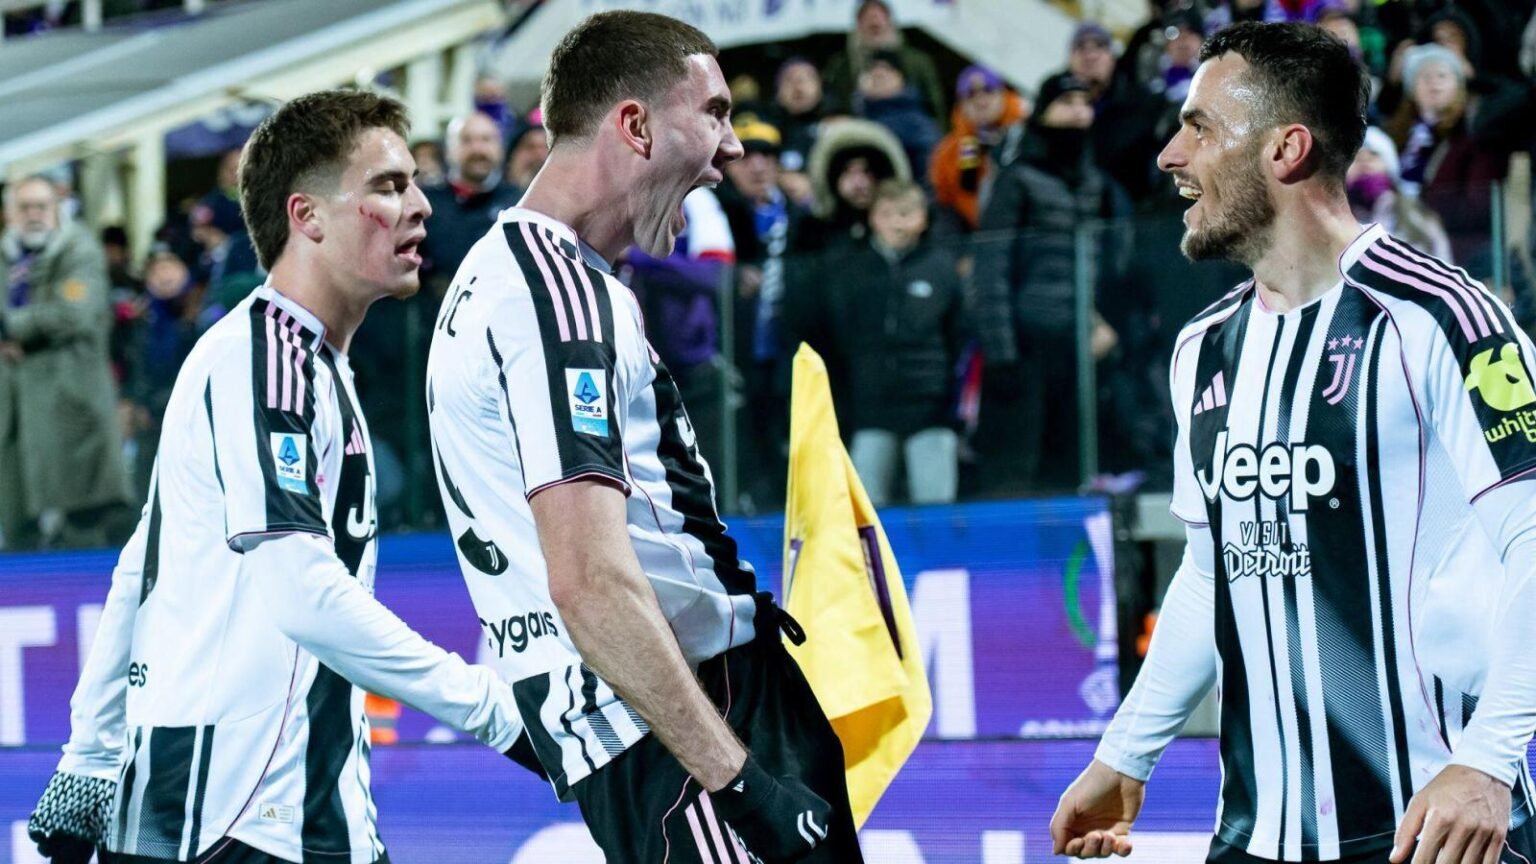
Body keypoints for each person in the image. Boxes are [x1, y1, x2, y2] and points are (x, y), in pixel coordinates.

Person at [1053, 23, 1536, 864]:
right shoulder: (1204, 347)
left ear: (1286, 149)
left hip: (1433, 828)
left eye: (1200, 128)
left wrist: (1489, 761)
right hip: (1255, 836)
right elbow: (1215, 569)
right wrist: (1127, 752)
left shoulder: (1443, 319)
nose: (1170, 155)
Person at [24, 89, 526, 864]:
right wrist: (499, 711)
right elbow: (304, 592)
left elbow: (142, 567)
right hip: (232, 816)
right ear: (307, 216)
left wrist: (88, 754)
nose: (421, 206)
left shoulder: (304, 363)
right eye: (389, 186)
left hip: (285, 807)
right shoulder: (266, 360)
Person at [425, 11, 858, 863]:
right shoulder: (556, 298)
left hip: (660, 717)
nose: (733, 147)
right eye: (715, 113)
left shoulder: (512, 276)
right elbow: (589, 582)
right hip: (682, 723)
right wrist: (742, 785)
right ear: (636, 124)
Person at [971, 72, 1130, 496]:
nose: (1078, 112)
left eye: (1084, 103)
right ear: (1043, 113)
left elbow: (1110, 266)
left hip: (1079, 346)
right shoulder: (1016, 179)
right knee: (1017, 474)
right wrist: (1001, 352)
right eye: (1067, 102)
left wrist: (1103, 323)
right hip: (1026, 346)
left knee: (1072, 470)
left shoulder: (1097, 183)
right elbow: (991, 268)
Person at [0, 175, 131, 549]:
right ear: (9, 213)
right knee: (18, 521)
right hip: (15, 406)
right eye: (24, 207)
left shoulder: (79, 249)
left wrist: (11, 327)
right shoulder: (6, 255)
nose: (34, 215)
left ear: (56, 209)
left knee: (84, 517)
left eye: (42, 206)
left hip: (73, 400)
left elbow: (74, 313)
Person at [829, 179, 967, 505]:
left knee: (935, 505)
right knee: (865, 509)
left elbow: (959, 337)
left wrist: (949, 400)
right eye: (887, 214)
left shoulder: (942, 267)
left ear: (923, 218)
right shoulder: (851, 270)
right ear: (872, 218)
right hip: (871, 408)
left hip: (931, 409)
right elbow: (840, 337)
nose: (896, 223)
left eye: (905, 213)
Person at [931, 64, 1028, 232]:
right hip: (977, 234)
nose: (981, 101)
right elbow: (945, 204)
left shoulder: (1028, 135)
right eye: (970, 95)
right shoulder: (950, 152)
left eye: (988, 91)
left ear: (1003, 94)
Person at [822, 0, 946, 124]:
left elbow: (935, 104)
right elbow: (832, 102)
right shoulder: (841, 66)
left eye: (880, 16)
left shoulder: (918, 62)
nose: (874, 20)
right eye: (867, 18)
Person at [1346, 125, 1453, 261]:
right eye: (1355, 156)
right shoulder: (1330, 220)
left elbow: (1443, 264)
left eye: (1373, 154)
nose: (1364, 162)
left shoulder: (1418, 218)